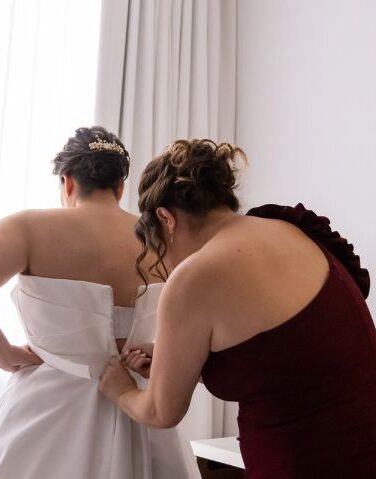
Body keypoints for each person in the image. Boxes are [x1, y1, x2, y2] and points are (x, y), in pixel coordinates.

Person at [99, 139, 376, 479]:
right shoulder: (287, 229)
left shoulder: (194, 276)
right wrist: (175, 359)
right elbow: (288, 357)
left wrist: (120, 388)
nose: (168, 264)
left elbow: (159, 411)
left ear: (166, 219)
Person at [0, 127, 198, 479]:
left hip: (48, 410)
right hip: (139, 406)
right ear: (120, 186)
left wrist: (3, 354)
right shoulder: (161, 237)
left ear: (68, 182)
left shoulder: (28, 228)